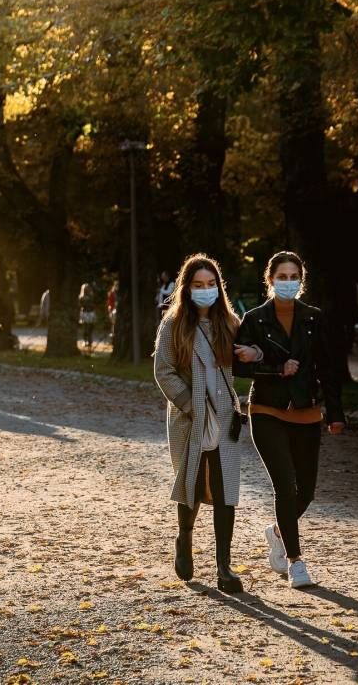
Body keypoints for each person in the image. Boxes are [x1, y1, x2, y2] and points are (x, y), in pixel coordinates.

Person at [233, 251, 345, 589]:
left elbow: (328, 368)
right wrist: (273, 366)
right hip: (267, 409)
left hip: (307, 411)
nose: (288, 282)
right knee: (285, 484)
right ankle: (295, 562)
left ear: (301, 280)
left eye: (293, 276)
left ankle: (279, 530)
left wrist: (334, 413)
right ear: (270, 281)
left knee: (306, 491)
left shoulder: (314, 318)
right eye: (281, 277)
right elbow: (237, 366)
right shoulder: (253, 319)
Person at [153, 254, 244, 593]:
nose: (206, 291)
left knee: (225, 490)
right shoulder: (173, 324)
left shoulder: (230, 323)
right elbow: (163, 371)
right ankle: (185, 538)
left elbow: (242, 363)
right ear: (187, 288)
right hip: (189, 418)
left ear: (218, 288)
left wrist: (257, 356)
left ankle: (224, 567)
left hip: (223, 417)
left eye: (211, 285)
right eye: (198, 285)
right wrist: (190, 404)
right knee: (190, 481)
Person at [79, 283, 96, 348]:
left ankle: (89, 341)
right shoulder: (82, 297)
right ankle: (85, 341)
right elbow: (81, 305)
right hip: (85, 313)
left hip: (91, 313)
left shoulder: (91, 296)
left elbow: (93, 304)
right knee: (85, 328)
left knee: (90, 328)